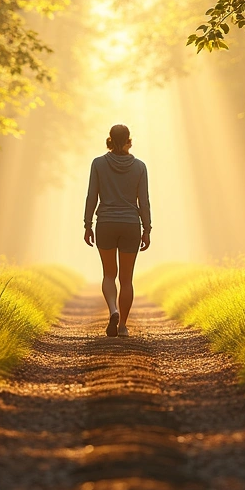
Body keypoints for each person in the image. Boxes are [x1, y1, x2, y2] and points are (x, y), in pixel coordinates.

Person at [84, 124, 151, 337]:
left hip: (105, 224)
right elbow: (144, 202)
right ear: (129, 139)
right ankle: (122, 326)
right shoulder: (140, 167)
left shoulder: (98, 164)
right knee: (126, 279)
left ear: (109, 139)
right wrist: (147, 229)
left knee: (109, 274)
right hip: (131, 224)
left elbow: (91, 197)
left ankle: (112, 310)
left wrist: (87, 225)